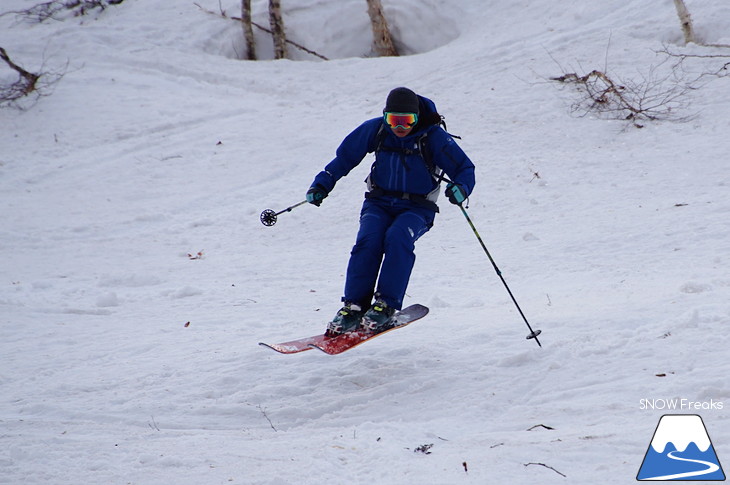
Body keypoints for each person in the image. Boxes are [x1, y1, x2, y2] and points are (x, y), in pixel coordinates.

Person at [306, 87, 476, 336]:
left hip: (418, 207)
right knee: (368, 241)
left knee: (397, 238)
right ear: (385, 116)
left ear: (417, 118)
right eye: (393, 120)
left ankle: (386, 305)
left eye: (407, 121)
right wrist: (322, 183)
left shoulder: (433, 137)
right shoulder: (375, 130)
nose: (400, 127)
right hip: (379, 202)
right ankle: (353, 307)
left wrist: (461, 188)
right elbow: (344, 158)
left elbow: (464, 168)